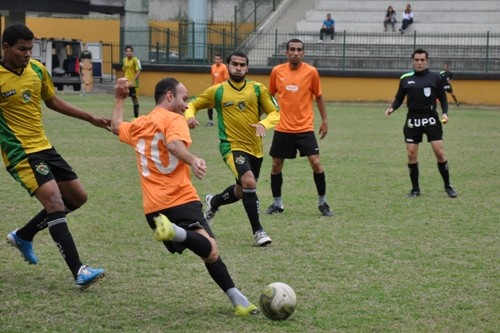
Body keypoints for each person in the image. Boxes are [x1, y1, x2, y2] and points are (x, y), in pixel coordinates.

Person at [111, 77, 258, 316]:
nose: (185, 105)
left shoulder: (140, 123)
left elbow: (116, 126)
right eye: (184, 98)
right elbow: (174, 145)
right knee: (210, 250)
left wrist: (119, 98)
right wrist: (193, 159)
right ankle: (175, 232)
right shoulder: (174, 119)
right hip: (180, 201)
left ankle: (238, 301)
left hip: (153, 210)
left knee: (208, 252)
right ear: (169, 96)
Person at [1, 24, 107, 289]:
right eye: (21, 49)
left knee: (77, 198)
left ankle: (24, 235)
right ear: (5, 47)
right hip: (20, 152)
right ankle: (79, 271)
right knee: (55, 202)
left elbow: (53, 102)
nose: (27, 54)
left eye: (30, 48)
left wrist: (90, 117)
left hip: (44, 147)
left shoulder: (37, 70)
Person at [185, 51, 280, 247]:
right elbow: (192, 104)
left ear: (247, 68)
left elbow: (275, 112)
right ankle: (258, 231)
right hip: (231, 146)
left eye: (242, 65)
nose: (238, 67)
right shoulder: (217, 91)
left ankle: (214, 202)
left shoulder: (258, 89)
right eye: (235, 64)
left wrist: (265, 123)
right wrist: (189, 116)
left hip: (255, 148)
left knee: (241, 190)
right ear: (227, 66)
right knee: (249, 182)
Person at [266, 38, 334, 217]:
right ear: (286, 53)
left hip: (305, 128)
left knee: (316, 163)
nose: (295, 53)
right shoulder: (276, 71)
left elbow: (319, 96)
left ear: (303, 53)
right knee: (276, 165)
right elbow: (269, 95)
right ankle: (277, 204)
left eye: (299, 50)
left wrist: (325, 120)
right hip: (282, 128)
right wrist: (271, 114)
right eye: (292, 50)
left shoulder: (311, 72)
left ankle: (323, 203)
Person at [385, 48, 458, 198]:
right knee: (411, 154)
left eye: (422, 60)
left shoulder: (435, 77)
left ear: (426, 61)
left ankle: (448, 186)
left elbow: (443, 98)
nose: (419, 63)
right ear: (413, 61)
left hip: (431, 118)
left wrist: (445, 113)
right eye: (417, 60)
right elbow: (399, 98)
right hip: (413, 119)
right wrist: (392, 108)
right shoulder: (405, 78)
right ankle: (415, 189)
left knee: (439, 152)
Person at [207, 54, 229, 126]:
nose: (217, 60)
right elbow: (214, 79)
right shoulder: (212, 67)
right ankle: (210, 121)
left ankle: (225, 122)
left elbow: (226, 80)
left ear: (221, 60)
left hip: (221, 90)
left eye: (218, 59)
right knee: (209, 105)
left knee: (222, 106)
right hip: (214, 89)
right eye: (215, 59)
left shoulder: (224, 67)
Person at [122, 45, 142, 118]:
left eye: (130, 51)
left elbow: (139, 71)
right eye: (127, 51)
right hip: (126, 82)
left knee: (134, 99)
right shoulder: (124, 60)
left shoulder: (135, 60)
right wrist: (122, 80)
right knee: (121, 97)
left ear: (132, 52)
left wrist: (132, 81)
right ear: (125, 52)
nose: (128, 52)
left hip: (133, 84)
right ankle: (120, 115)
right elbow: (124, 71)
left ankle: (136, 117)